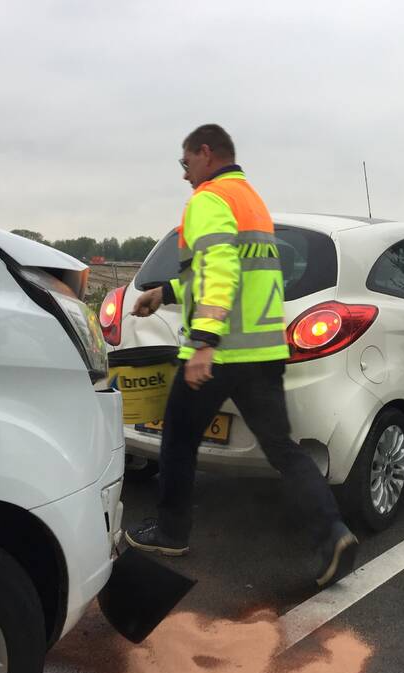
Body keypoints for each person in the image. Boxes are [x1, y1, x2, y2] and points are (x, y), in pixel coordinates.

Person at [124, 124, 358, 588]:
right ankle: (333, 535)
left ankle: (171, 531)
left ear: (206, 154)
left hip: (222, 351)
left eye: (186, 162)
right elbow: (226, 269)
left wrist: (205, 341)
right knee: (282, 449)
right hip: (263, 350)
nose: (185, 174)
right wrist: (164, 291)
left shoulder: (208, 200)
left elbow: (221, 268)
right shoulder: (250, 200)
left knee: (178, 437)